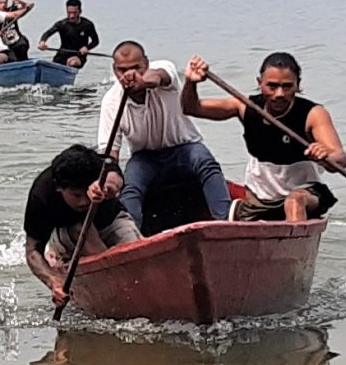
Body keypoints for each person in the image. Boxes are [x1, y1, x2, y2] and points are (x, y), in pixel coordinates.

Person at [181, 53, 346, 223]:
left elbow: (339, 159)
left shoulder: (314, 114)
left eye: (287, 86)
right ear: (260, 83)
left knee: (294, 202)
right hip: (259, 199)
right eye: (272, 86)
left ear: (298, 85)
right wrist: (191, 83)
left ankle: (294, 235)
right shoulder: (245, 107)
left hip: (305, 195)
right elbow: (191, 108)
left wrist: (325, 156)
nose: (279, 94)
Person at [96, 41, 231, 234]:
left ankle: (225, 224)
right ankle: (130, 236)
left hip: (184, 149)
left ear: (146, 64)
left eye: (136, 68)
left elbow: (159, 77)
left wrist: (143, 82)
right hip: (145, 158)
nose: (129, 74)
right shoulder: (111, 101)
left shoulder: (163, 70)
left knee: (205, 162)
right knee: (130, 187)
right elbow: (110, 155)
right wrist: (108, 182)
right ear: (114, 70)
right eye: (122, 70)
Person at [21, 143, 141, 290]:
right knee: (80, 230)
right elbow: (32, 250)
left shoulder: (102, 169)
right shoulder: (41, 195)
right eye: (76, 195)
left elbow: (114, 177)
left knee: (138, 256)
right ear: (59, 188)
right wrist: (53, 281)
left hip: (111, 220)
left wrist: (106, 187)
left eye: (86, 193)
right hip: (73, 232)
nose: (84, 201)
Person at [37, 0, 99, 70]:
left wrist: (87, 47)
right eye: (69, 13)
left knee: (72, 62)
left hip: (78, 55)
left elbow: (96, 41)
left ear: (80, 11)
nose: (71, 16)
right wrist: (42, 42)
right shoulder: (62, 24)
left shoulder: (87, 25)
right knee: (50, 67)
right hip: (62, 54)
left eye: (74, 13)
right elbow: (47, 33)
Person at [0, 0, 34, 64]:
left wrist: (20, 2)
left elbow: (30, 5)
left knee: (22, 45)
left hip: (18, 42)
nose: (3, 5)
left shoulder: (11, 10)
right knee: (10, 59)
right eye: (0, 3)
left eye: (5, 3)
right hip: (6, 46)